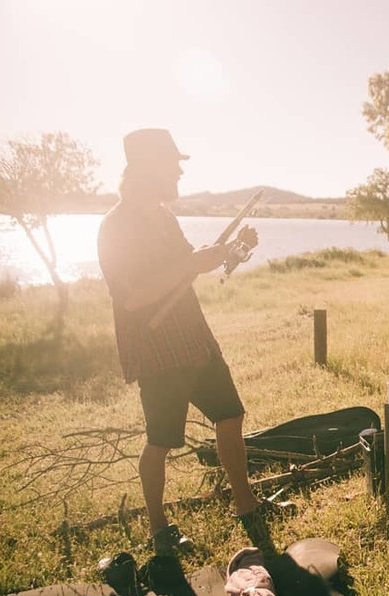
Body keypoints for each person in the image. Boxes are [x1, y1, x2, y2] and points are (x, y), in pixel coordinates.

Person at [98, 128, 291, 556]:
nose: (179, 172)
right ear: (147, 170)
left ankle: (246, 505)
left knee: (229, 415)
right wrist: (191, 261)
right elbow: (131, 296)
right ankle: (159, 529)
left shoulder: (164, 217)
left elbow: (191, 268)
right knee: (162, 440)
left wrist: (232, 252)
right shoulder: (114, 227)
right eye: (172, 164)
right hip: (157, 351)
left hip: (193, 337)